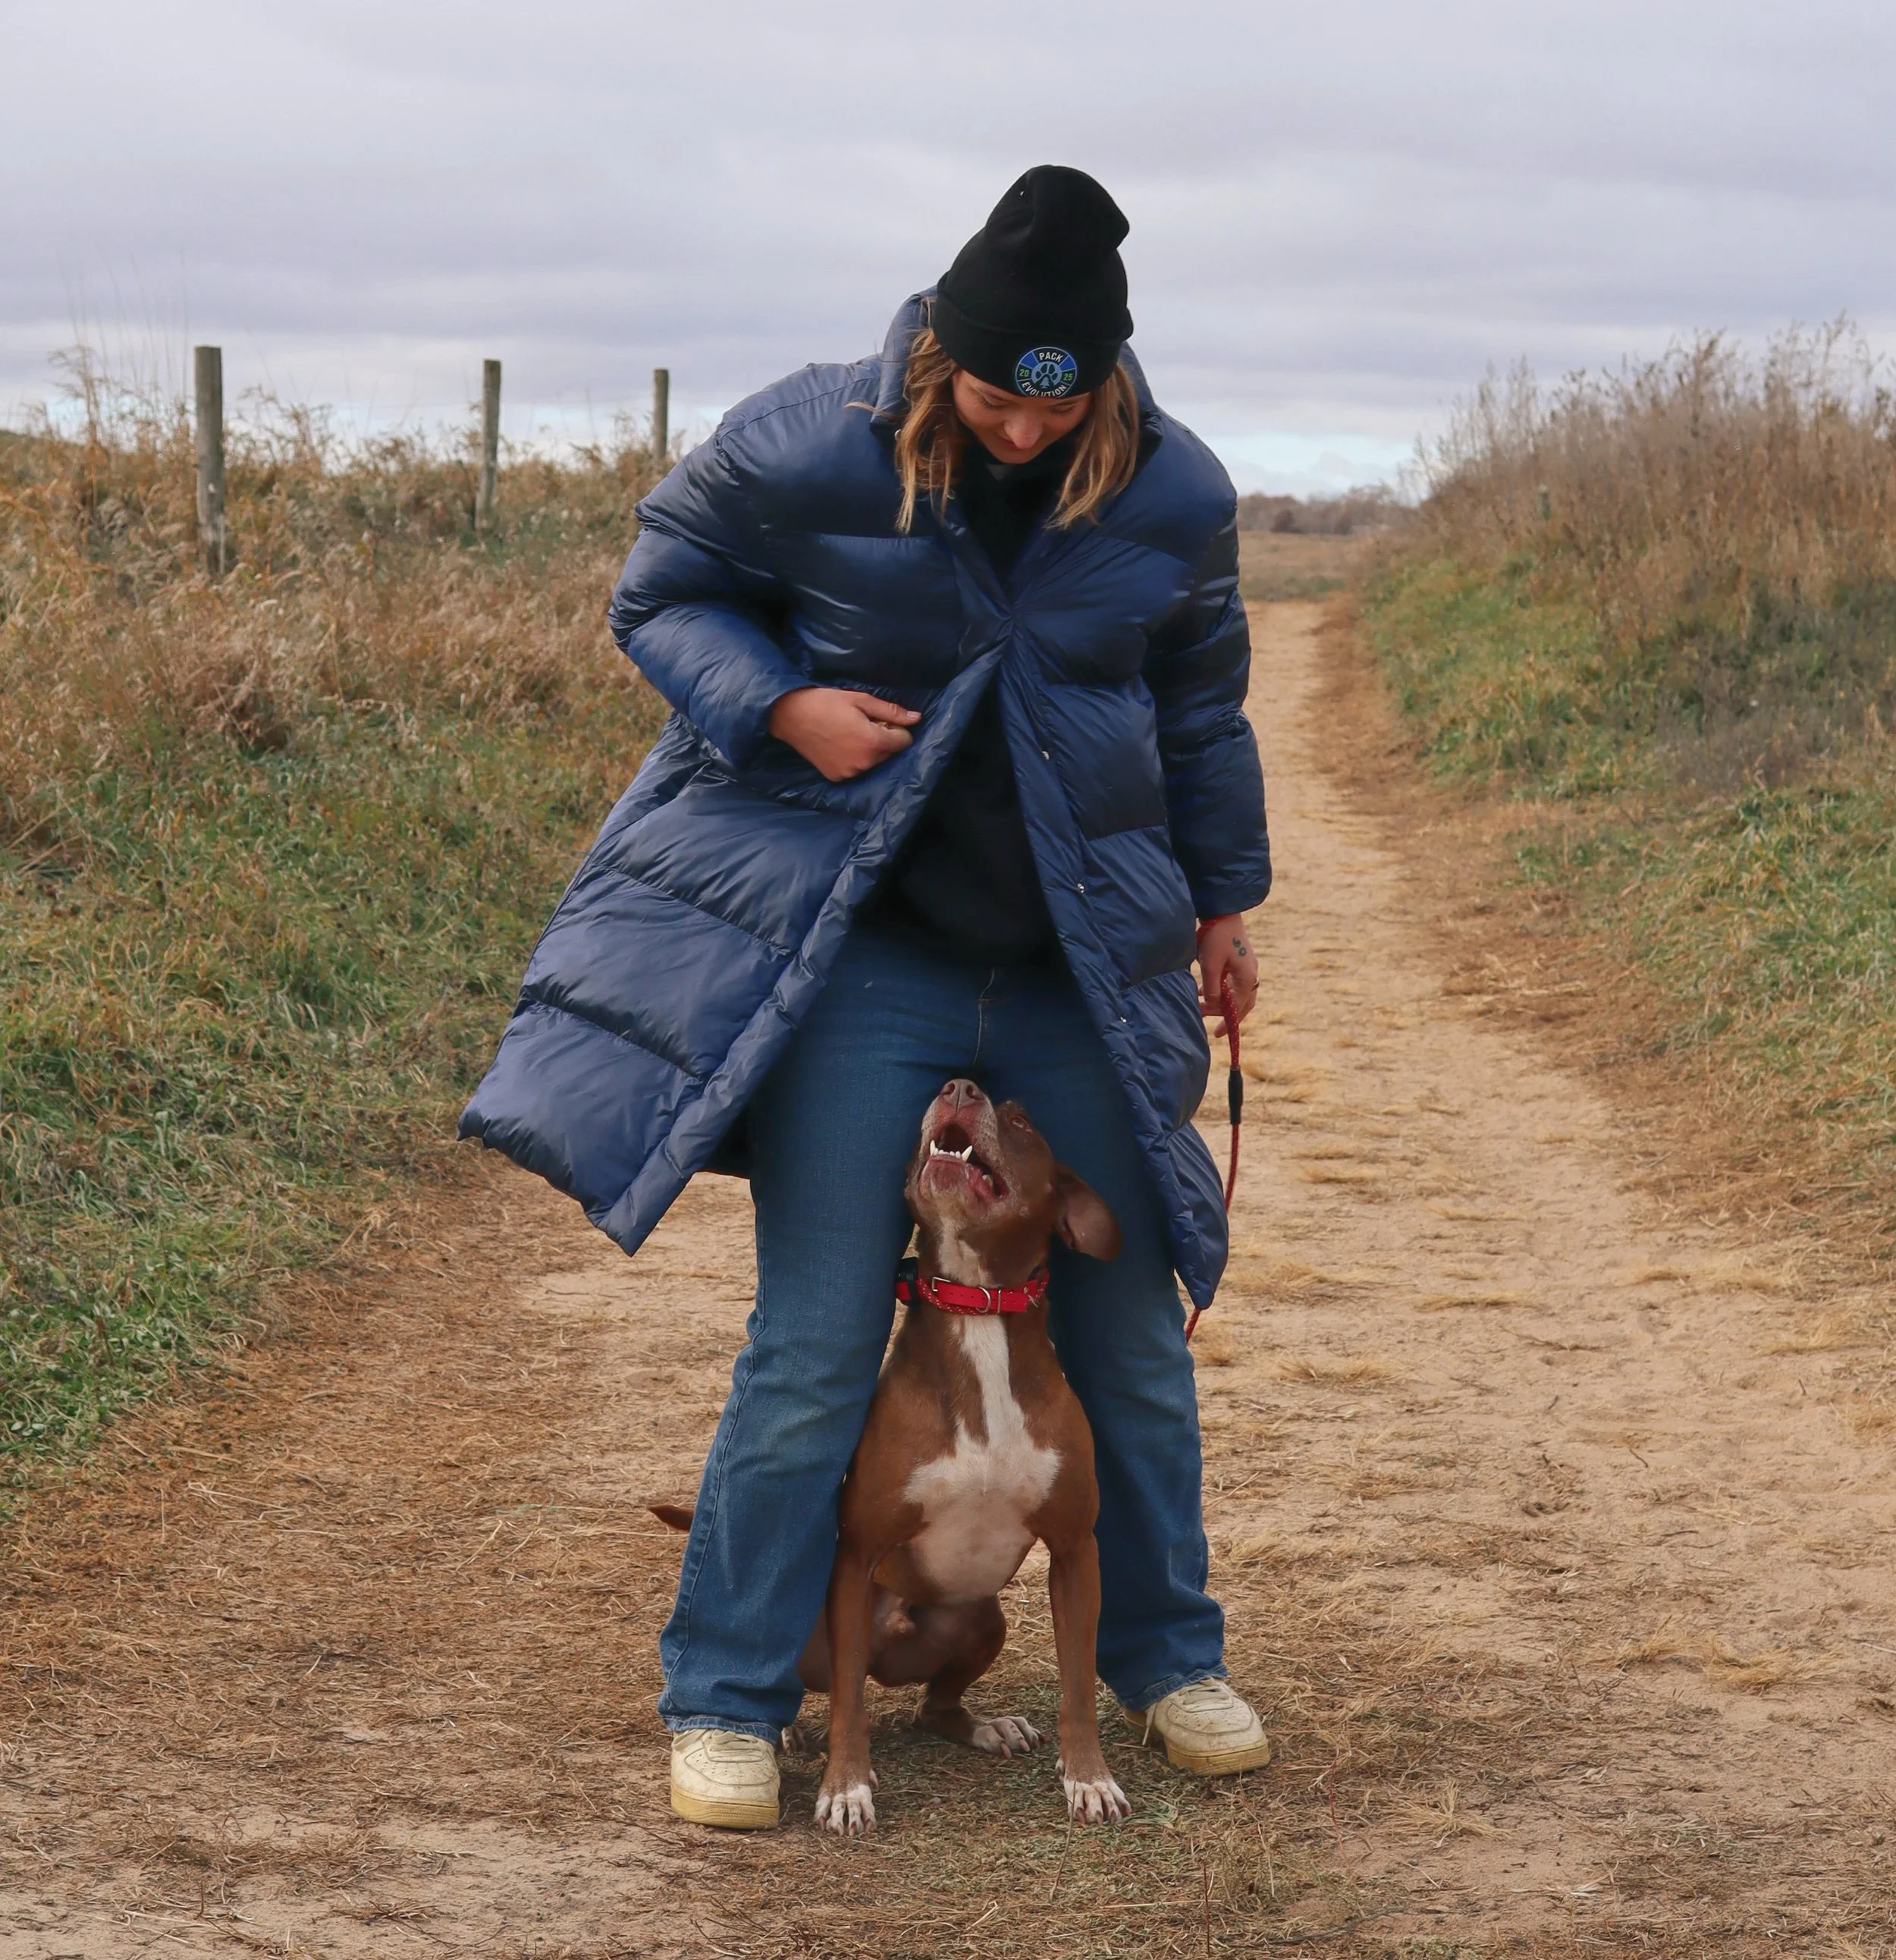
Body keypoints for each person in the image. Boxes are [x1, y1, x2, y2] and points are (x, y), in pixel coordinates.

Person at [460, 165, 1273, 1830]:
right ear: (939, 357)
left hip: (1073, 966)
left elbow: (1199, 705)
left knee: (1125, 1328)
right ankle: (729, 1698)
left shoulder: (1171, 487)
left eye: (1064, 403)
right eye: (995, 398)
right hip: (871, 966)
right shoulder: (801, 443)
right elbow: (658, 592)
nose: (1028, 432)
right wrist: (777, 707)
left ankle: (1163, 1652)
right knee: (817, 1337)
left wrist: (1221, 895)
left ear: (1104, 376)